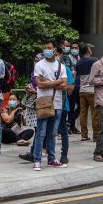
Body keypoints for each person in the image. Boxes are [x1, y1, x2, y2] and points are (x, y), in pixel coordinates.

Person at [32, 40, 68, 170]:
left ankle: (51, 159)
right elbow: (39, 84)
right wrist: (56, 82)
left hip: (57, 103)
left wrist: (49, 82)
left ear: (54, 49)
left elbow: (64, 85)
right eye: (45, 47)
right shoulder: (39, 65)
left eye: (49, 48)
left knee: (52, 133)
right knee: (41, 133)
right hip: (43, 102)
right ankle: (37, 160)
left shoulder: (61, 66)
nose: (46, 50)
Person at [75, 44, 99, 141]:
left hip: (82, 90)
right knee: (95, 114)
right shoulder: (94, 60)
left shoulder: (78, 62)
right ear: (88, 51)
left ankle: (84, 135)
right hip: (92, 90)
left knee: (83, 113)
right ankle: (96, 136)